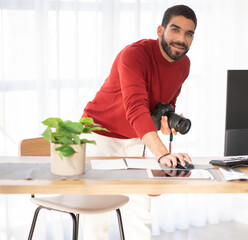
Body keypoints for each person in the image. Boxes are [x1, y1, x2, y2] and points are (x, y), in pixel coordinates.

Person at [81, 4, 197, 240]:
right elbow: (135, 107)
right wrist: (162, 154)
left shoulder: (184, 65)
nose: (181, 39)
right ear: (160, 30)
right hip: (100, 133)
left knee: (139, 211)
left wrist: (168, 119)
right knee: (97, 213)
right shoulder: (133, 55)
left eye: (189, 33)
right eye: (175, 30)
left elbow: (166, 101)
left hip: (134, 137)